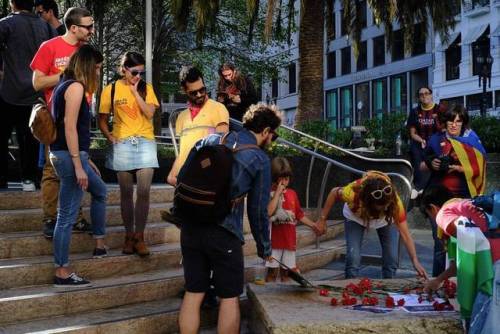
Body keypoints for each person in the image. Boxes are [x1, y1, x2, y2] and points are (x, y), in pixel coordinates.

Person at [178, 103, 281, 334]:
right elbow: (257, 212)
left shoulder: (212, 140)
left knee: (194, 292)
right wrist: (264, 247)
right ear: (265, 131)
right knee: (229, 297)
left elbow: (183, 177)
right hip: (224, 233)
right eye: (273, 135)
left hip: (191, 228)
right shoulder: (259, 159)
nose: (272, 140)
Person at [31, 7, 94, 238]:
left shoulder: (86, 51)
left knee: (77, 168)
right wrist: (65, 75)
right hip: (55, 117)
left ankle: (75, 217)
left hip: (80, 117)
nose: (92, 30)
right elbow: (37, 83)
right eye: (88, 26)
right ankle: (50, 219)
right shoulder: (49, 47)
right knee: (52, 169)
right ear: (74, 27)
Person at [49, 45, 107, 287]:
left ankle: (99, 243)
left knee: (101, 191)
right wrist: (78, 165)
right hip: (69, 157)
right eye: (96, 67)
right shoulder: (74, 87)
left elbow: (70, 130)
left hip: (70, 154)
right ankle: (62, 270)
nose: (98, 72)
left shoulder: (64, 84)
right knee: (66, 216)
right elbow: (69, 127)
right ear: (86, 65)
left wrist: (86, 159)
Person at [98, 52, 159, 257]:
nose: (138, 76)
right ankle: (128, 235)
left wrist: (135, 92)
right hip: (122, 143)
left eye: (142, 72)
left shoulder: (145, 88)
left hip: (145, 142)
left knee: (143, 191)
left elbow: (150, 114)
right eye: (134, 72)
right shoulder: (111, 89)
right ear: (123, 69)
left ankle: (139, 237)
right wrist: (110, 137)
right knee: (125, 192)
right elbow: (102, 119)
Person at [316, 171, 428, 279]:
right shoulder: (352, 193)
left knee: (391, 258)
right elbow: (333, 192)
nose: (384, 209)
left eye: (386, 206)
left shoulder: (395, 204)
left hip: (385, 221)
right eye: (380, 207)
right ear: (367, 202)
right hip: (355, 217)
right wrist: (322, 219)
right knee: (353, 257)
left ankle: (389, 286)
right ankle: (349, 284)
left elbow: (406, 235)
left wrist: (415, 261)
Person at [421, 185, 499, 334]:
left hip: (494, 267)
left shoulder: (444, 212)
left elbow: (466, 234)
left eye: (429, 216)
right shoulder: (469, 204)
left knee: (483, 323)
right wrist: (438, 280)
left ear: (433, 208)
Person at [420, 105, 486, 277]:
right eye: (451, 120)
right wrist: (430, 164)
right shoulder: (435, 140)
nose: (454, 125)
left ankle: (459, 281)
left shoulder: (472, 140)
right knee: (439, 244)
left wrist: (458, 167)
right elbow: (420, 165)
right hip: (439, 202)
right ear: (446, 122)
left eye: (458, 121)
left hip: (464, 201)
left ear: (463, 123)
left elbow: (481, 166)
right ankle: (437, 282)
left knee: (463, 243)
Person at [0, 0, 54, 191]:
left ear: (12, 3)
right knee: (30, 138)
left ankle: (2, 178)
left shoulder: (6, 24)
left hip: (9, 90)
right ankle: (29, 179)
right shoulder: (46, 27)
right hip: (36, 92)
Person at [166, 66, 229, 186]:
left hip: (206, 176)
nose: (199, 94)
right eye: (194, 93)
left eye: (202, 89)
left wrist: (199, 169)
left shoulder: (218, 109)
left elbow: (221, 150)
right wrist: (173, 176)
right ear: (184, 90)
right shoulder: (182, 117)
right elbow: (183, 152)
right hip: (187, 178)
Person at [264, 157, 321, 282]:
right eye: (282, 178)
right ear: (274, 178)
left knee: (287, 273)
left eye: (287, 178)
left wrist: (313, 225)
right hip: (273, 242)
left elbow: (299, 215)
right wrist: (277, 193)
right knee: (272, 273)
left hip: (289, 240)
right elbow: (268, 212)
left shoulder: (292, 193)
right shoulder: (268, 193)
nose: (285, 182)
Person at [406, 86, 443, 197]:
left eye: (426, 93)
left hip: (436, 142)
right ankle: (418, 188)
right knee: (416, 151)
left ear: (431, 95)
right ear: (419, 98)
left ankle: (433, 187)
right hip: (419, 141)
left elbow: (444, 129)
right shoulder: (415, 112)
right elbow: (412, 133)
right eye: (421, 94)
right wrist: (421, 140)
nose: (424, 96)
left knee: (436, 158)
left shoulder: (439, 109)